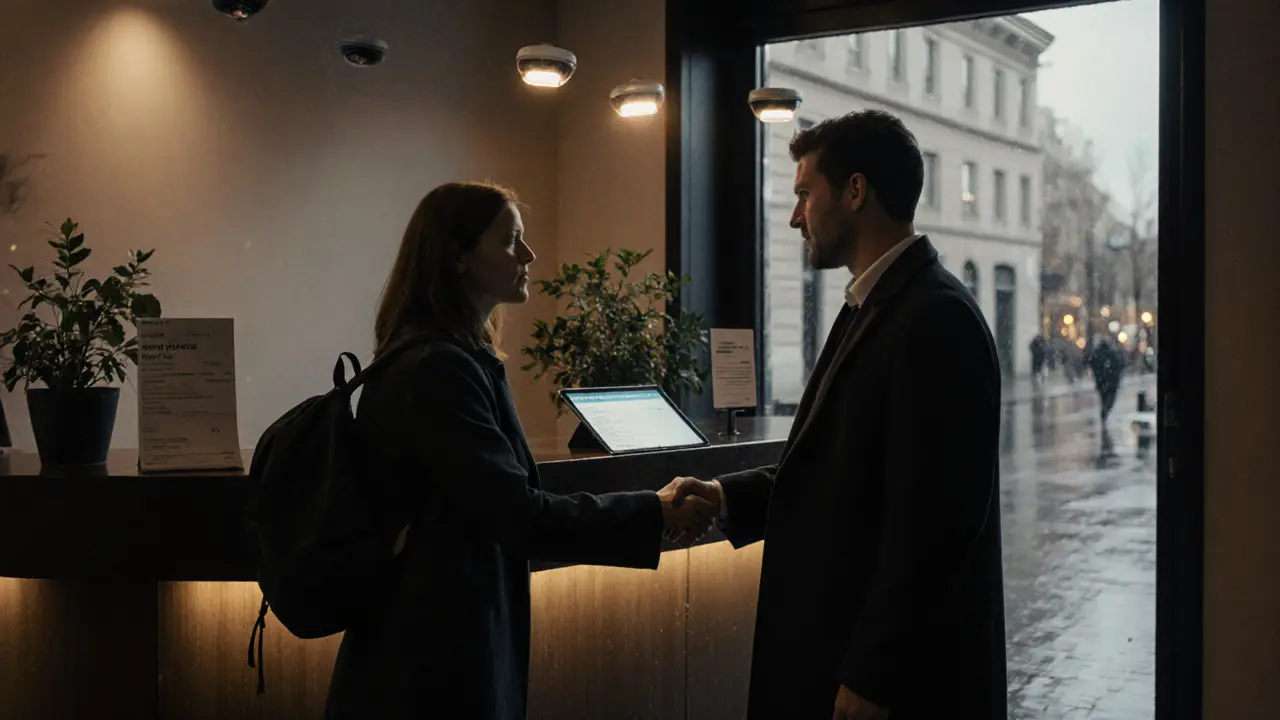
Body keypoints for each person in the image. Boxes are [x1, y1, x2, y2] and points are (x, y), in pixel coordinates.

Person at [324, 182, 716, 719]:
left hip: (435, 652)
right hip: (429, 666)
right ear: (457, 256)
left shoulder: (451, 358)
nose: (529, 255)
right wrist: (654, 509)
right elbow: (518, 515)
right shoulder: (439, 369)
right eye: (511, 241)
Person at [671, 111, 1006, 720]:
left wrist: (872, 675)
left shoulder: (937, 318)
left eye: (804, 193)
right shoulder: (871, 305)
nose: (796, 215)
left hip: (893, 686)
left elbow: (935, 526)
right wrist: (723, 497)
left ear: (855, 192)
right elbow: (834, 475)